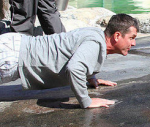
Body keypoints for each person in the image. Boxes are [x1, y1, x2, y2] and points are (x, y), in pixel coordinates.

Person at [0, 14, 139, 108]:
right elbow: (75, 68)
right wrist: (87, 101)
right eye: (131, 38)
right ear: (117, 36)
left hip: (13, 48)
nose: (134, 43)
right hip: (12, 56)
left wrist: (90, 77)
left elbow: (74, 52)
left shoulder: (95, 35)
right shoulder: (95, 43)